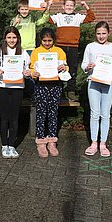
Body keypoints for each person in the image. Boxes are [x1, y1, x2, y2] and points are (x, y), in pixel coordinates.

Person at [81, 21, 112, 157]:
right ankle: (93, 143)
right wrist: (88, 67)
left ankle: (103, 143)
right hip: (93, 82)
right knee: (94, 113)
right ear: (95, 34)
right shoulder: (90, 47)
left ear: (108, 33)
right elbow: (84, 64)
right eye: (98, 33)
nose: (101, 36)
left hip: (109, 83)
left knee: (105, 114)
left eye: (104, 33)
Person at [0, 26, 30, 159]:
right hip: (2, 87)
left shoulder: (23, 53)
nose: (12, 40)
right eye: (9, 37)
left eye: (14, 37)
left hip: (17, 88)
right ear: (5, 38)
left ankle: (12, 145)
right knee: (4, 116)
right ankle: (4, 145)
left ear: (18, 38)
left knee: (14, 117)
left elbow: (27, 70)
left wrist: (27, 73)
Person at [30, 28, 68, 158]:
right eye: (44, 40)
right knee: (41, 112)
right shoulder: (36, 52)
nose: (47, 43)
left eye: (49, 40)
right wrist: (32, 73)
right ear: (40, 40)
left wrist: (64, 67)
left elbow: (66, 67)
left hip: (55, 85)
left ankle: (52, 140)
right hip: (41, 85)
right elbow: (31, 69)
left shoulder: (59, 51)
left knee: (53, 112)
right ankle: (40, 140)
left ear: (54, 40)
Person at [49, 0, 95, 101]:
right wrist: (48, 6)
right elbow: (48, 19)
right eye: (67, 5)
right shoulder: (59, 16)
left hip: (73, 47)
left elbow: (91, 17)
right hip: (60, 47)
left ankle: (71, 91)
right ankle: (59, 92)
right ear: (63, 6)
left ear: (74, 7)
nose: (69, 7)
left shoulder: (78, 17)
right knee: (59, 68)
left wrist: (86, 7)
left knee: (72, 69)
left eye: (71, 5)